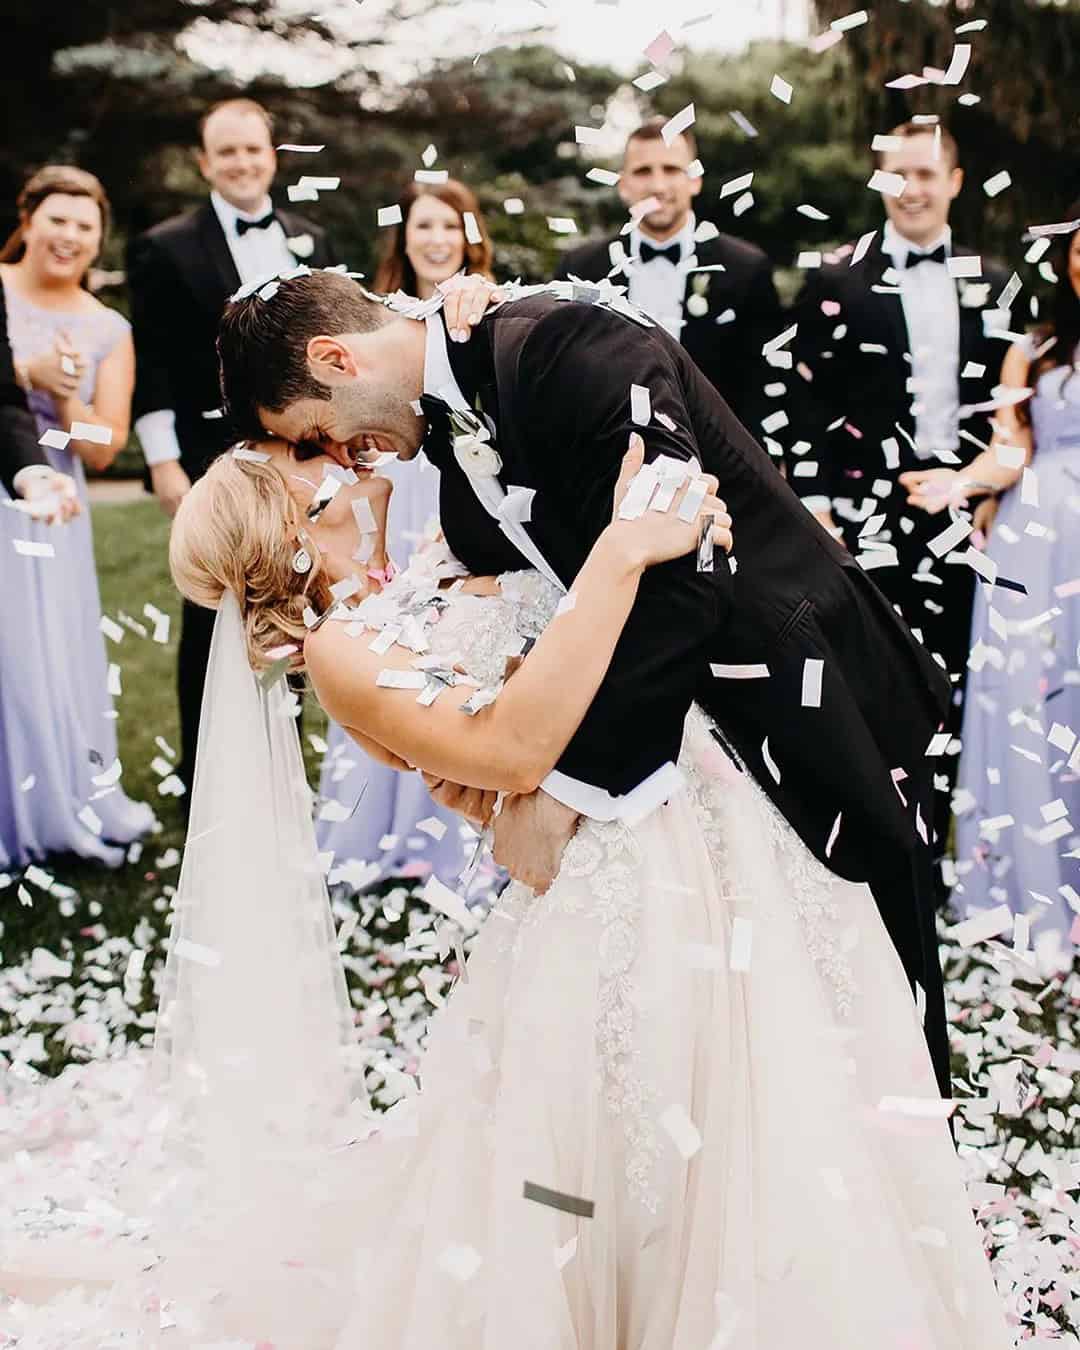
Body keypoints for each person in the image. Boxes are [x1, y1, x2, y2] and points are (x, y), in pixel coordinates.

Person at [0, 434, 1009, 1349]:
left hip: (680, 811)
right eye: (309, 459)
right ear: (292, 522)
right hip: (619, 865)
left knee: (751, 1078)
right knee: (649, 1107)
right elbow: (512, 749)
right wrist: (620, 551)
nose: (339, 461)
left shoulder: (418, 569)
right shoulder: (343, 652)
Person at [788, 120, 1017, 891]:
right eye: (897, 175)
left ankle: (931, 863)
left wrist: (985, 489)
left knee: (949, 681)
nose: (912, 189)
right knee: (861, 684)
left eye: (926, 174)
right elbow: (802, 402)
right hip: (860, 520)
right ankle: (862, 859)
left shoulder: (994, 278)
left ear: (954, 181)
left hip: (964, 516)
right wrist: (818, 507)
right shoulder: (834, 279)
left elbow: (1008, 409)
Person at [127, 96, 337, 798]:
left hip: (299, 462)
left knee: (296, 604)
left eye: (253, 149)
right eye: (227, 152)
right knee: (211, 612)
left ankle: (280, 775)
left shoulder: (312, 238)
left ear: (272, 156)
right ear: (205, 162)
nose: (243, 163)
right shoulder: (166, 247)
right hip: (211, 463)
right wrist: (162, 460)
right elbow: (152, 360)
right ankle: (206, 776)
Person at [318, 179, 496, 883]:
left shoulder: (493, 308)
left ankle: (459, 832)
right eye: (423, 226)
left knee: (458, 645)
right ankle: (374, 822)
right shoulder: (372, 320)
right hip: (398, 491)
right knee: (386, 633)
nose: (436, 239)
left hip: (467, 493)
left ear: (468, 235)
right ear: (403, 237)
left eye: (450, 227)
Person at [0, 166, 153, 868]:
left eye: (85, 227)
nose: (69, 237)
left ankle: (52, 802)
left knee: (44, 656)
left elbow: (106, 447)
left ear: (99, 241)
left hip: (54, 505)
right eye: (57, 219)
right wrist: (24, 373)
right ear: (27, 220)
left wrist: (64, 407)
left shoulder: (106, 328)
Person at [950, 211, 1080, 955]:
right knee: (1034, 699)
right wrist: (965, 483)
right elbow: (1010, 446)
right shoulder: (1032, 348)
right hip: (1042, 535)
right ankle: (1033, 891)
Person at [553, 117, 784, 441]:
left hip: (717, 459)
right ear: (623, 185)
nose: (658, 186)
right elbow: (564, 377)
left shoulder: (746, 268)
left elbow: (764, 381)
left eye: (672, 170)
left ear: (695, 180)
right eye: (643, 171)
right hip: (607, 457)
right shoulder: (581, 268)